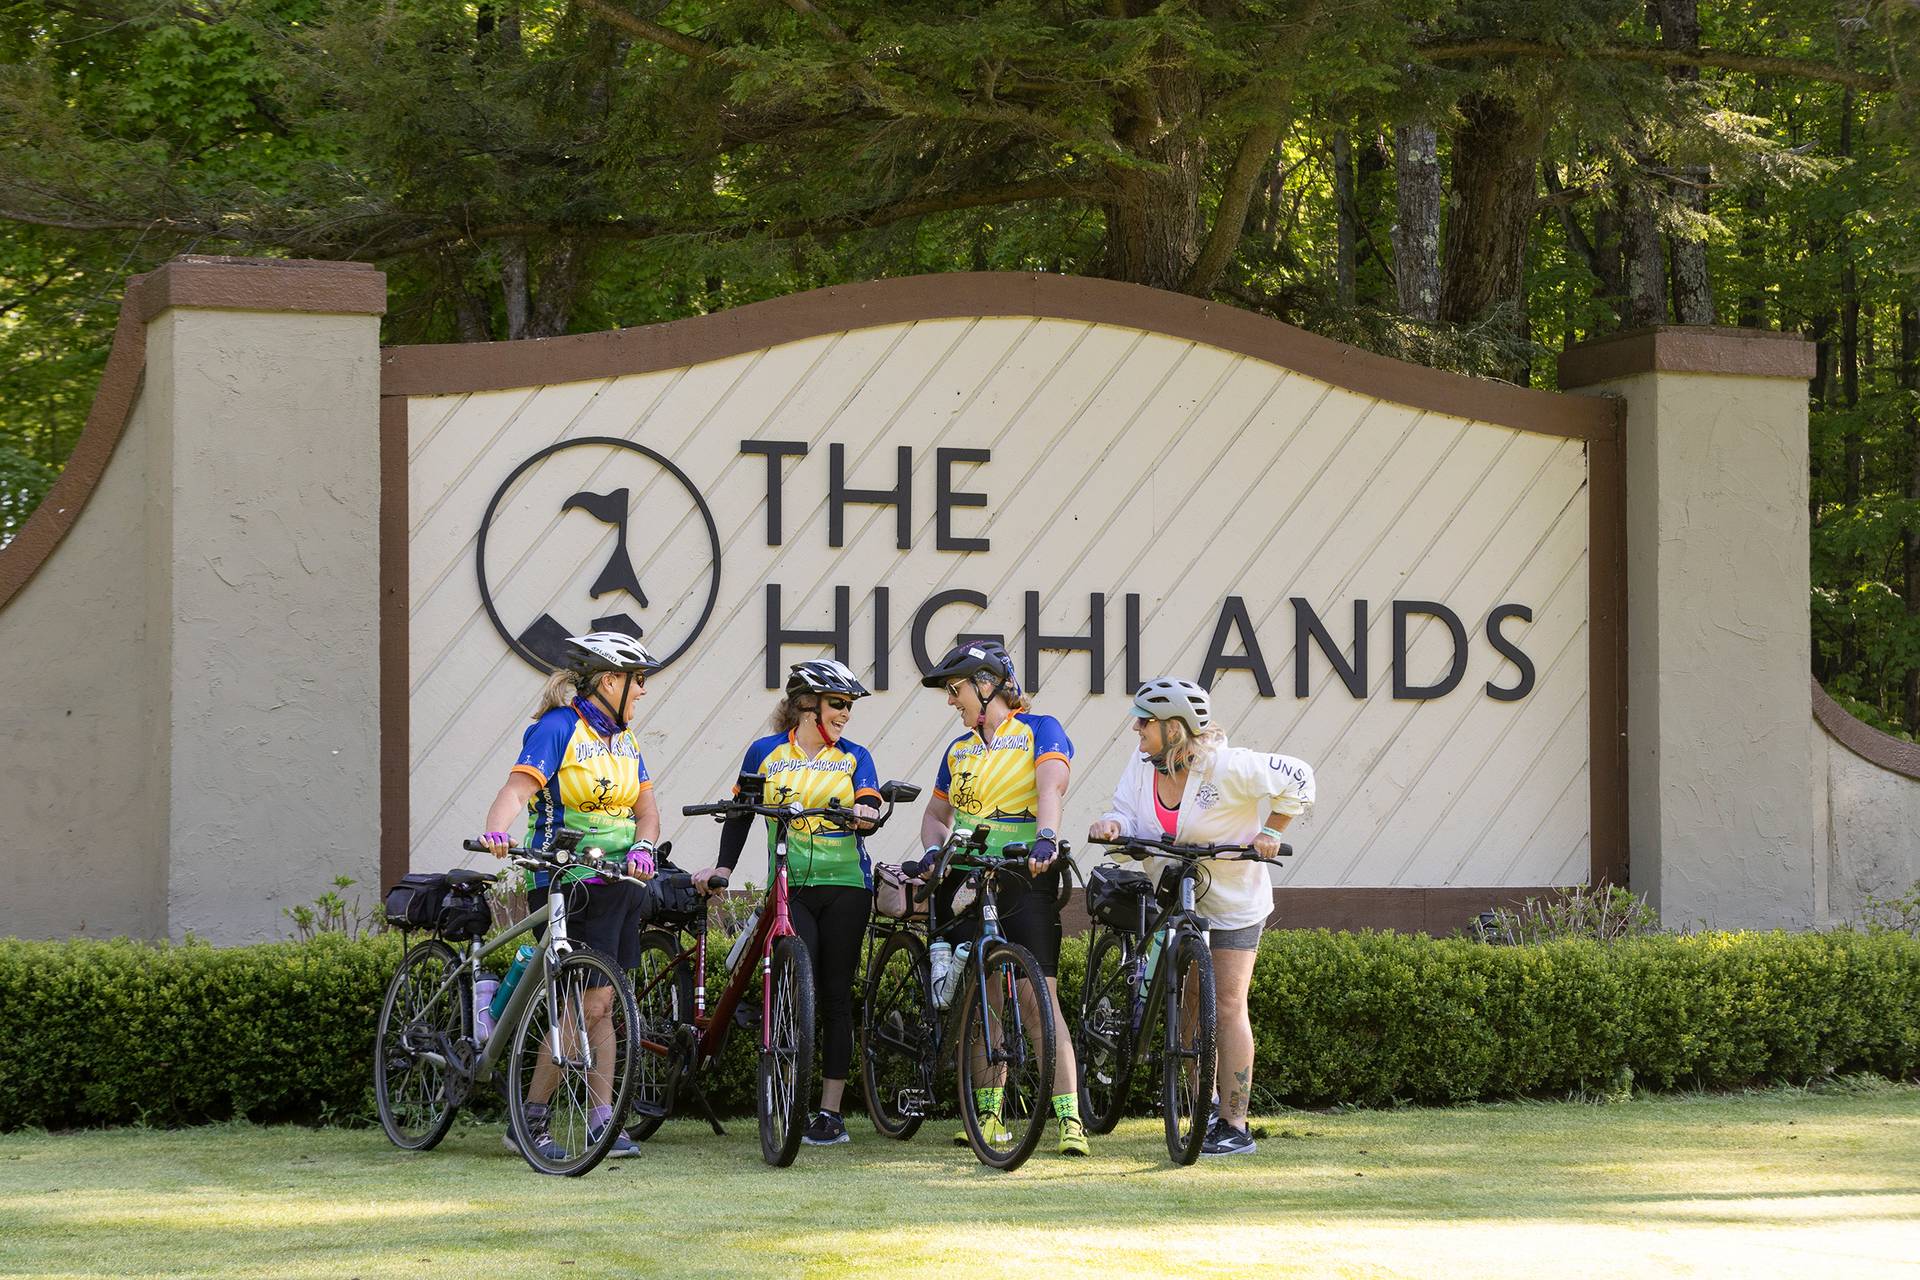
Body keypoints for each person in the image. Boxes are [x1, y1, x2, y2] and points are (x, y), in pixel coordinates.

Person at [1087, 677, 1314, 1157]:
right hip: (1173, 891)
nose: (1136, 728)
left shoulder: (1229, 766)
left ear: (1174, 729)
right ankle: (1203, 1105)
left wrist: (1271, 830)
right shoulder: (1143, 764)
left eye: (1145, 721)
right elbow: (1127, 812)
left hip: (1233, 899)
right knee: (1189, 1001)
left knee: (1227, 1004)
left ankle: (1234, 1124)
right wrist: (1114, 824)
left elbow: (1300, 778)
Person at [477, 631, 662, 1162]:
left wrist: (645, 845)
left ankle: (603, 1118)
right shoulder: (559, 728)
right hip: (567, 880)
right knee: (586, 1003)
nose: (643, 692)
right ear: (610, 681)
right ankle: (531, 1116)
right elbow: (517, 790)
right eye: (638, 681)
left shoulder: (625, 741)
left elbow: (647, 809)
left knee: (603, 1007)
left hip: (621, 883)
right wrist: (496, 831)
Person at [690, 659, 883, 1147]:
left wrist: (866, 812)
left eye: (849, 706)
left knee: (837, 995)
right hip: (791, 887)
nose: (845, 714)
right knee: (798, 986)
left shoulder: (855, 755)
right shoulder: (765, 752)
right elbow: (740, 814)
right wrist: (724, 870)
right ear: (806, 706)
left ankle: (830, 1113)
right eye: (837, 704)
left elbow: (871, 802)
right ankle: (784, 1091)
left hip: (847, 886)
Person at [914, 640, 1088, 1157]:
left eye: (957, 689)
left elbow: (1051, 787)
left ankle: (1069, 1118)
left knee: (1040, 1001)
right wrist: (931, 851)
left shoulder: (1039, 729)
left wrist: (1047, 838)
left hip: (1024, 872)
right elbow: (934, 816)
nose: (952, 701)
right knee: (985, 998)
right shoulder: (958, 750)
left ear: (987, 686)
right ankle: (986, 1114)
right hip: (969, 877)